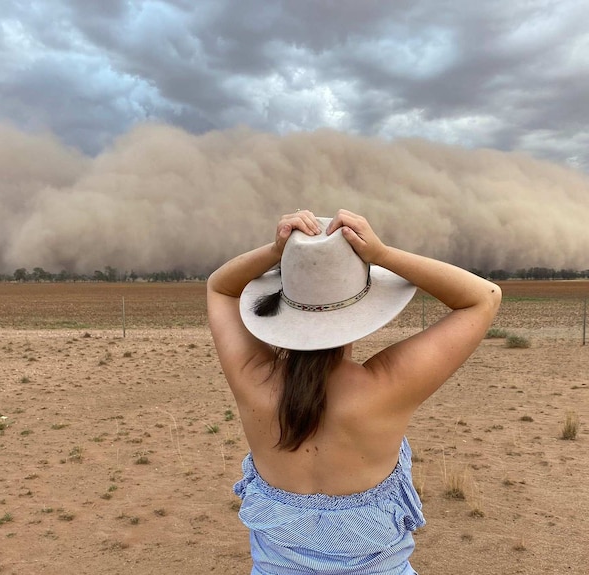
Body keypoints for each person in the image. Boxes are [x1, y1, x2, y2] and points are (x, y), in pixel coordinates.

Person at [207, 209, 501, 574]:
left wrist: (277, 249)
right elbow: (483, 297)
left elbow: (219, 288)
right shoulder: (387, 386)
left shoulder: (253, 379)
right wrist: (382, 255)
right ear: (362, 306)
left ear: (285, 303)